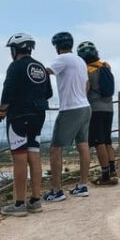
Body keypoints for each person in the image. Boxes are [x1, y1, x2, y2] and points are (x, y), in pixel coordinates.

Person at [0, 33, 52, 217]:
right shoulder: (40, 67)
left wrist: (1, 110)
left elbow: (8, 91)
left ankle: (19, 204)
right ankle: (35, 201)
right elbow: (48, 93)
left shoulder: (15, 66)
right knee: (34, 156)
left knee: (19, 158)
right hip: (38, 116)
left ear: (14, 50)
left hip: (19, 116)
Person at [44, 31, 92, 201]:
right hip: (85, 106)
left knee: (55, 149)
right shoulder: (80, 61)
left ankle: (56, 190)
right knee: (83, 145)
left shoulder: (62, 59)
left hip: (70, 108)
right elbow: (87, 84)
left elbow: (44, 72)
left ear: (57, 46)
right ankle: (83, 185)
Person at [77, 41, 118, 186]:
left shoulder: (87, 71)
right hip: (109, 108)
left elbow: (85, 90)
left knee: (98, 142)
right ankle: (113, 170)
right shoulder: (105, 67)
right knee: (107, 141)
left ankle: (105, 176)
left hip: (95, 109)